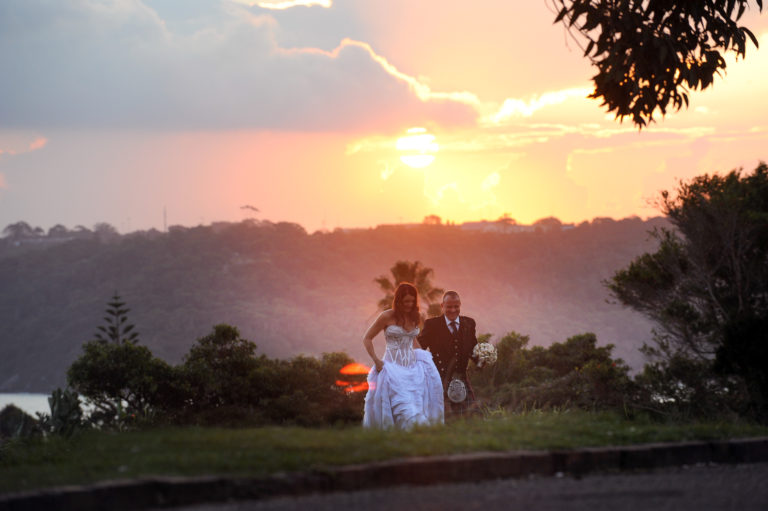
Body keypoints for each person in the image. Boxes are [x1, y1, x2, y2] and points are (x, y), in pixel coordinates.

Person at [362, 282, 444, 429]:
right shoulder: (386, 316)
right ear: (399, 300)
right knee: (404, 410)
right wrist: (376, 360)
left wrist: (426, 361)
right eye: (406, 301)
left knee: (417, 408)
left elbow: (413, 341)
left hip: (413, 371)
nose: (409, 304)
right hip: (392, 370)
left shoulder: (414, 317)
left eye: (412, 301)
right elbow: (367, 338)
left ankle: (413, 444)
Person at [417, 290, 479, 417]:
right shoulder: (432, 325)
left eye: (456, 306)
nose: (452, 310)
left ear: (460, 305)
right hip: (439, 379)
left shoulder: (469, 323)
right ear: (442, 306)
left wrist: (482, 360)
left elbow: (473, 349)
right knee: (443, 418)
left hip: (461, 378)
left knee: (471, 418)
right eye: (449, 307)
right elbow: (419, 349)